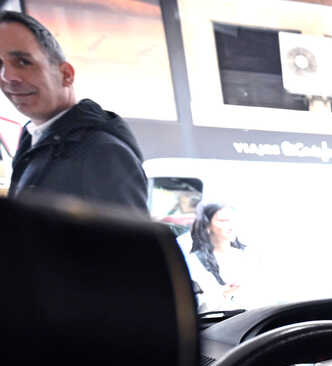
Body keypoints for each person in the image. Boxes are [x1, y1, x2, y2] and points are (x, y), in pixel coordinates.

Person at [0, 12, 146, 213]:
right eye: (0, 65)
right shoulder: (33, 138)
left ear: (66, 74)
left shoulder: (102, 152)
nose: (7, 77)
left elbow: (131, 243)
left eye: (23, 62)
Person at [181, 203, 250, 312]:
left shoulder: (246, 257)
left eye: (232, 220)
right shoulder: (194, 262)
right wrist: (222, 294)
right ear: (207, 225)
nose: (230, 225)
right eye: (223, 220)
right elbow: (193, 306)